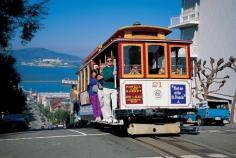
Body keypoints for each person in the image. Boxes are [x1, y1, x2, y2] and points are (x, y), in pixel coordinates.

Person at [102, 57, 118, 123]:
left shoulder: (115, 67)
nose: (109, 62)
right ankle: (109, 117)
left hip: (114, 88)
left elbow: (118, 75)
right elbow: (105, 78)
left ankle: (115, 117)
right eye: (108, 61)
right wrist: (112, 74)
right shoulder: (104, 69)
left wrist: (116, 74)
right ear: (106, 62)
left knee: (115, 103)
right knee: (107, 103)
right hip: (106, 88)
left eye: (111, 60)